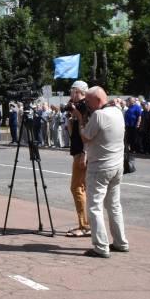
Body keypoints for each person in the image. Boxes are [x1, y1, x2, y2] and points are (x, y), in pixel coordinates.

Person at [74, 86, 128, 258]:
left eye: (88, 102)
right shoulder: (117, 111)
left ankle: (101, 246)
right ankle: (120, 242)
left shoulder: (99, 115)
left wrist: (80, 118)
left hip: (100, 167)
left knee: (94, 206)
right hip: (117, 165)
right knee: (114, 205)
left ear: (97, 101)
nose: (87, 105)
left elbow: (85, 136)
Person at [64, 81, 91, 238]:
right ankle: (89, 224)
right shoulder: (77, 107)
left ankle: (85, 225)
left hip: (82, 152)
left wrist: (84, 153)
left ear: (78, 91)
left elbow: (87, 131)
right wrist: (70, 117)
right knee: (84, 189)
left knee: (77, 188)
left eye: (72, 91)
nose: (70, 95)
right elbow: (72, 131)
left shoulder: (84, 107)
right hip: (78, 151)